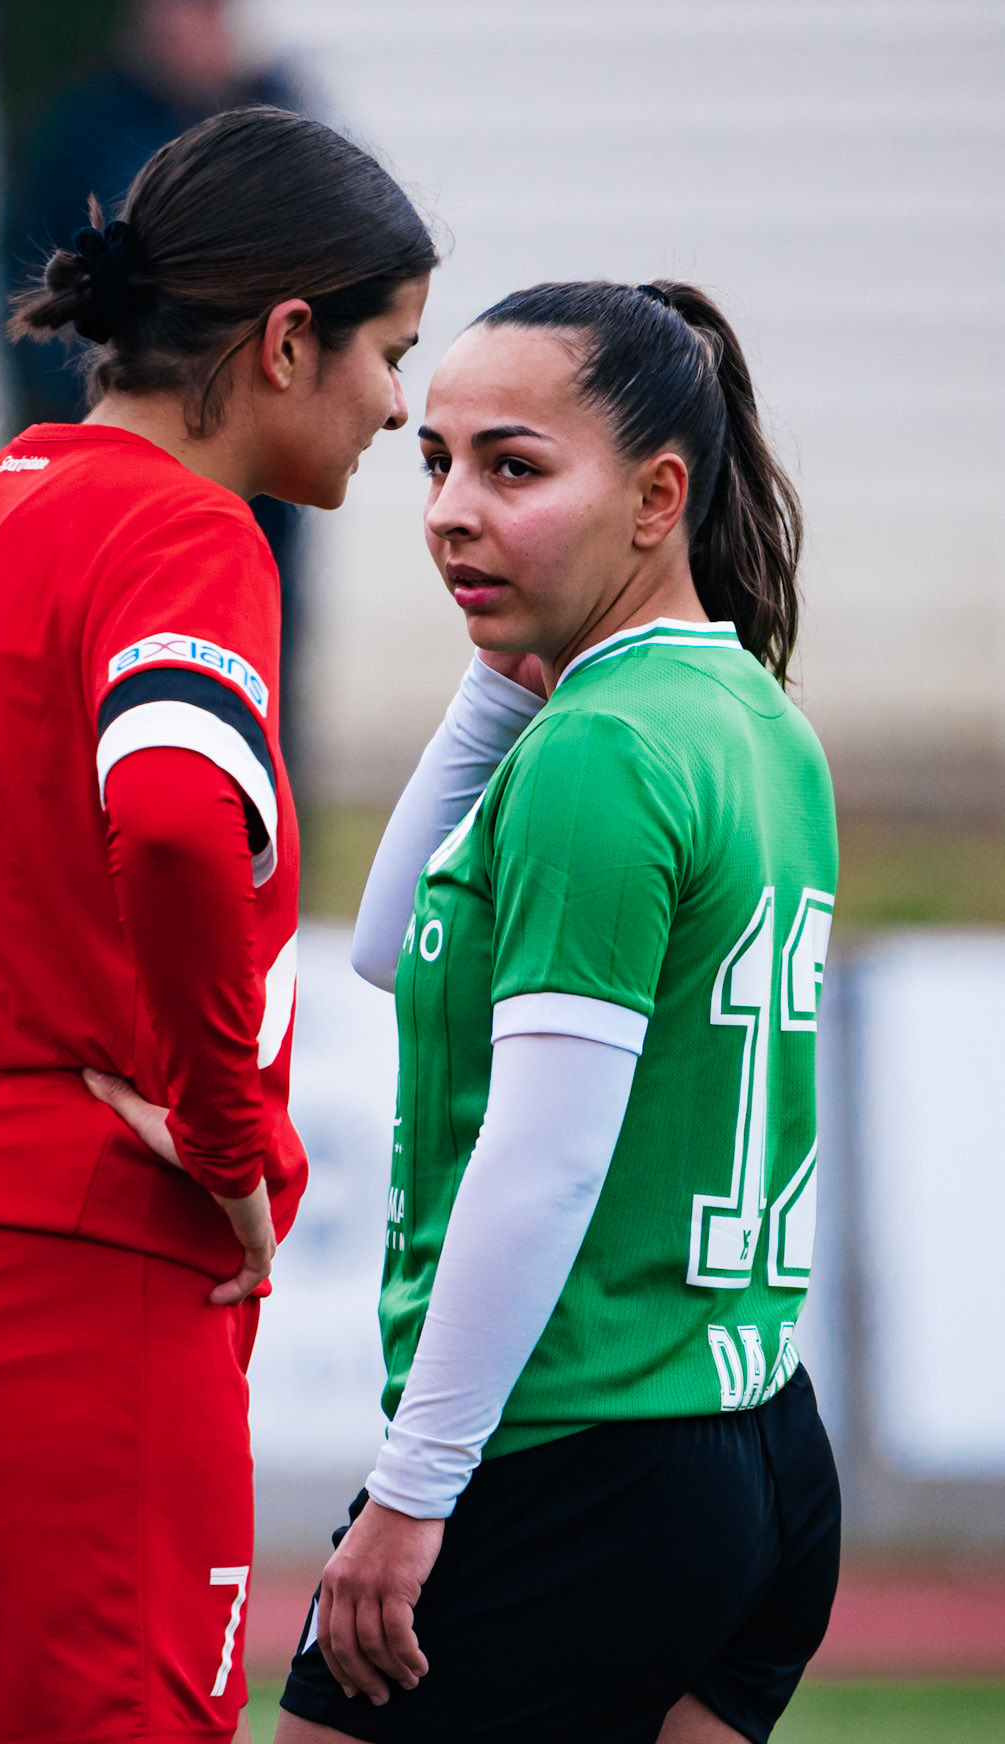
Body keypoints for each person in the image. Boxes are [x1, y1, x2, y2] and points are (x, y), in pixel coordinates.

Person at [0, 106, 436, 1744]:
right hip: (61, 1292)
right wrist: (225, 1129)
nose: (398, 402)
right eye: (389, 351)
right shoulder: (188, 530)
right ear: (284, 340)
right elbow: (180, 813)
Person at [276, 281, 840, 1744]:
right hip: (760, 1446)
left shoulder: (602, 752)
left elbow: (545, 1163)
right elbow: (399, 946)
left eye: (512, 468)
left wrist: (411, 1489)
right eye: (437, 462)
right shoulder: (754, 720)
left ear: (659, 497)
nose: (452, 510)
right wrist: (494, 682)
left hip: (571, 1453)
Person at [6, 0, 314, 762]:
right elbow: (25, 259)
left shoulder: (277, 115)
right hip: (132, 419)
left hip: (259, 423)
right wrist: (73, 383)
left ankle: (269, 811)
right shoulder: (88, 126)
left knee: (263, 629)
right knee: (113, 622)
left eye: (210, 18)